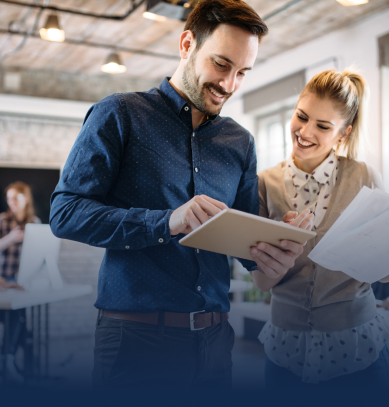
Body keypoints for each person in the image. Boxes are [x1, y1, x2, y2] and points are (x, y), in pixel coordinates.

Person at [49, 0, 312, 402]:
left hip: (215, 343)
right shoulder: (119, 114)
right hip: (136, 342)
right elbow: (65, 213)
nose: (229, 84)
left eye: (242, 73)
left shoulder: (239, 142)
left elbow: (244, 245)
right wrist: (167, 222)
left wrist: (273, 248)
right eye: (221, 64)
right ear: (187, 43)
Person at [253, 69, 389, 406]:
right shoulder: (263, 183)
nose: (305, 132)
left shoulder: (364, 176)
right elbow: (262, 282)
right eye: (301, 117)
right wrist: (279, 249)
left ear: (344, 133)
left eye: (323, 126)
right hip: (286, 349)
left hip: (356, 348)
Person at [0, 181, 39, 381]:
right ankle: (11, 360)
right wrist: (11, 238)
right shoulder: (3, 219)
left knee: (19, 320)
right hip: (4, 278)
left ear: (25, 198)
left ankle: (9, 359)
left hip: (24, 280)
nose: (11, 202)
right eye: (8, 198)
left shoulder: (34, 222)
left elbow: (39, 254)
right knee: (16, 320)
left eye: (15, 198)